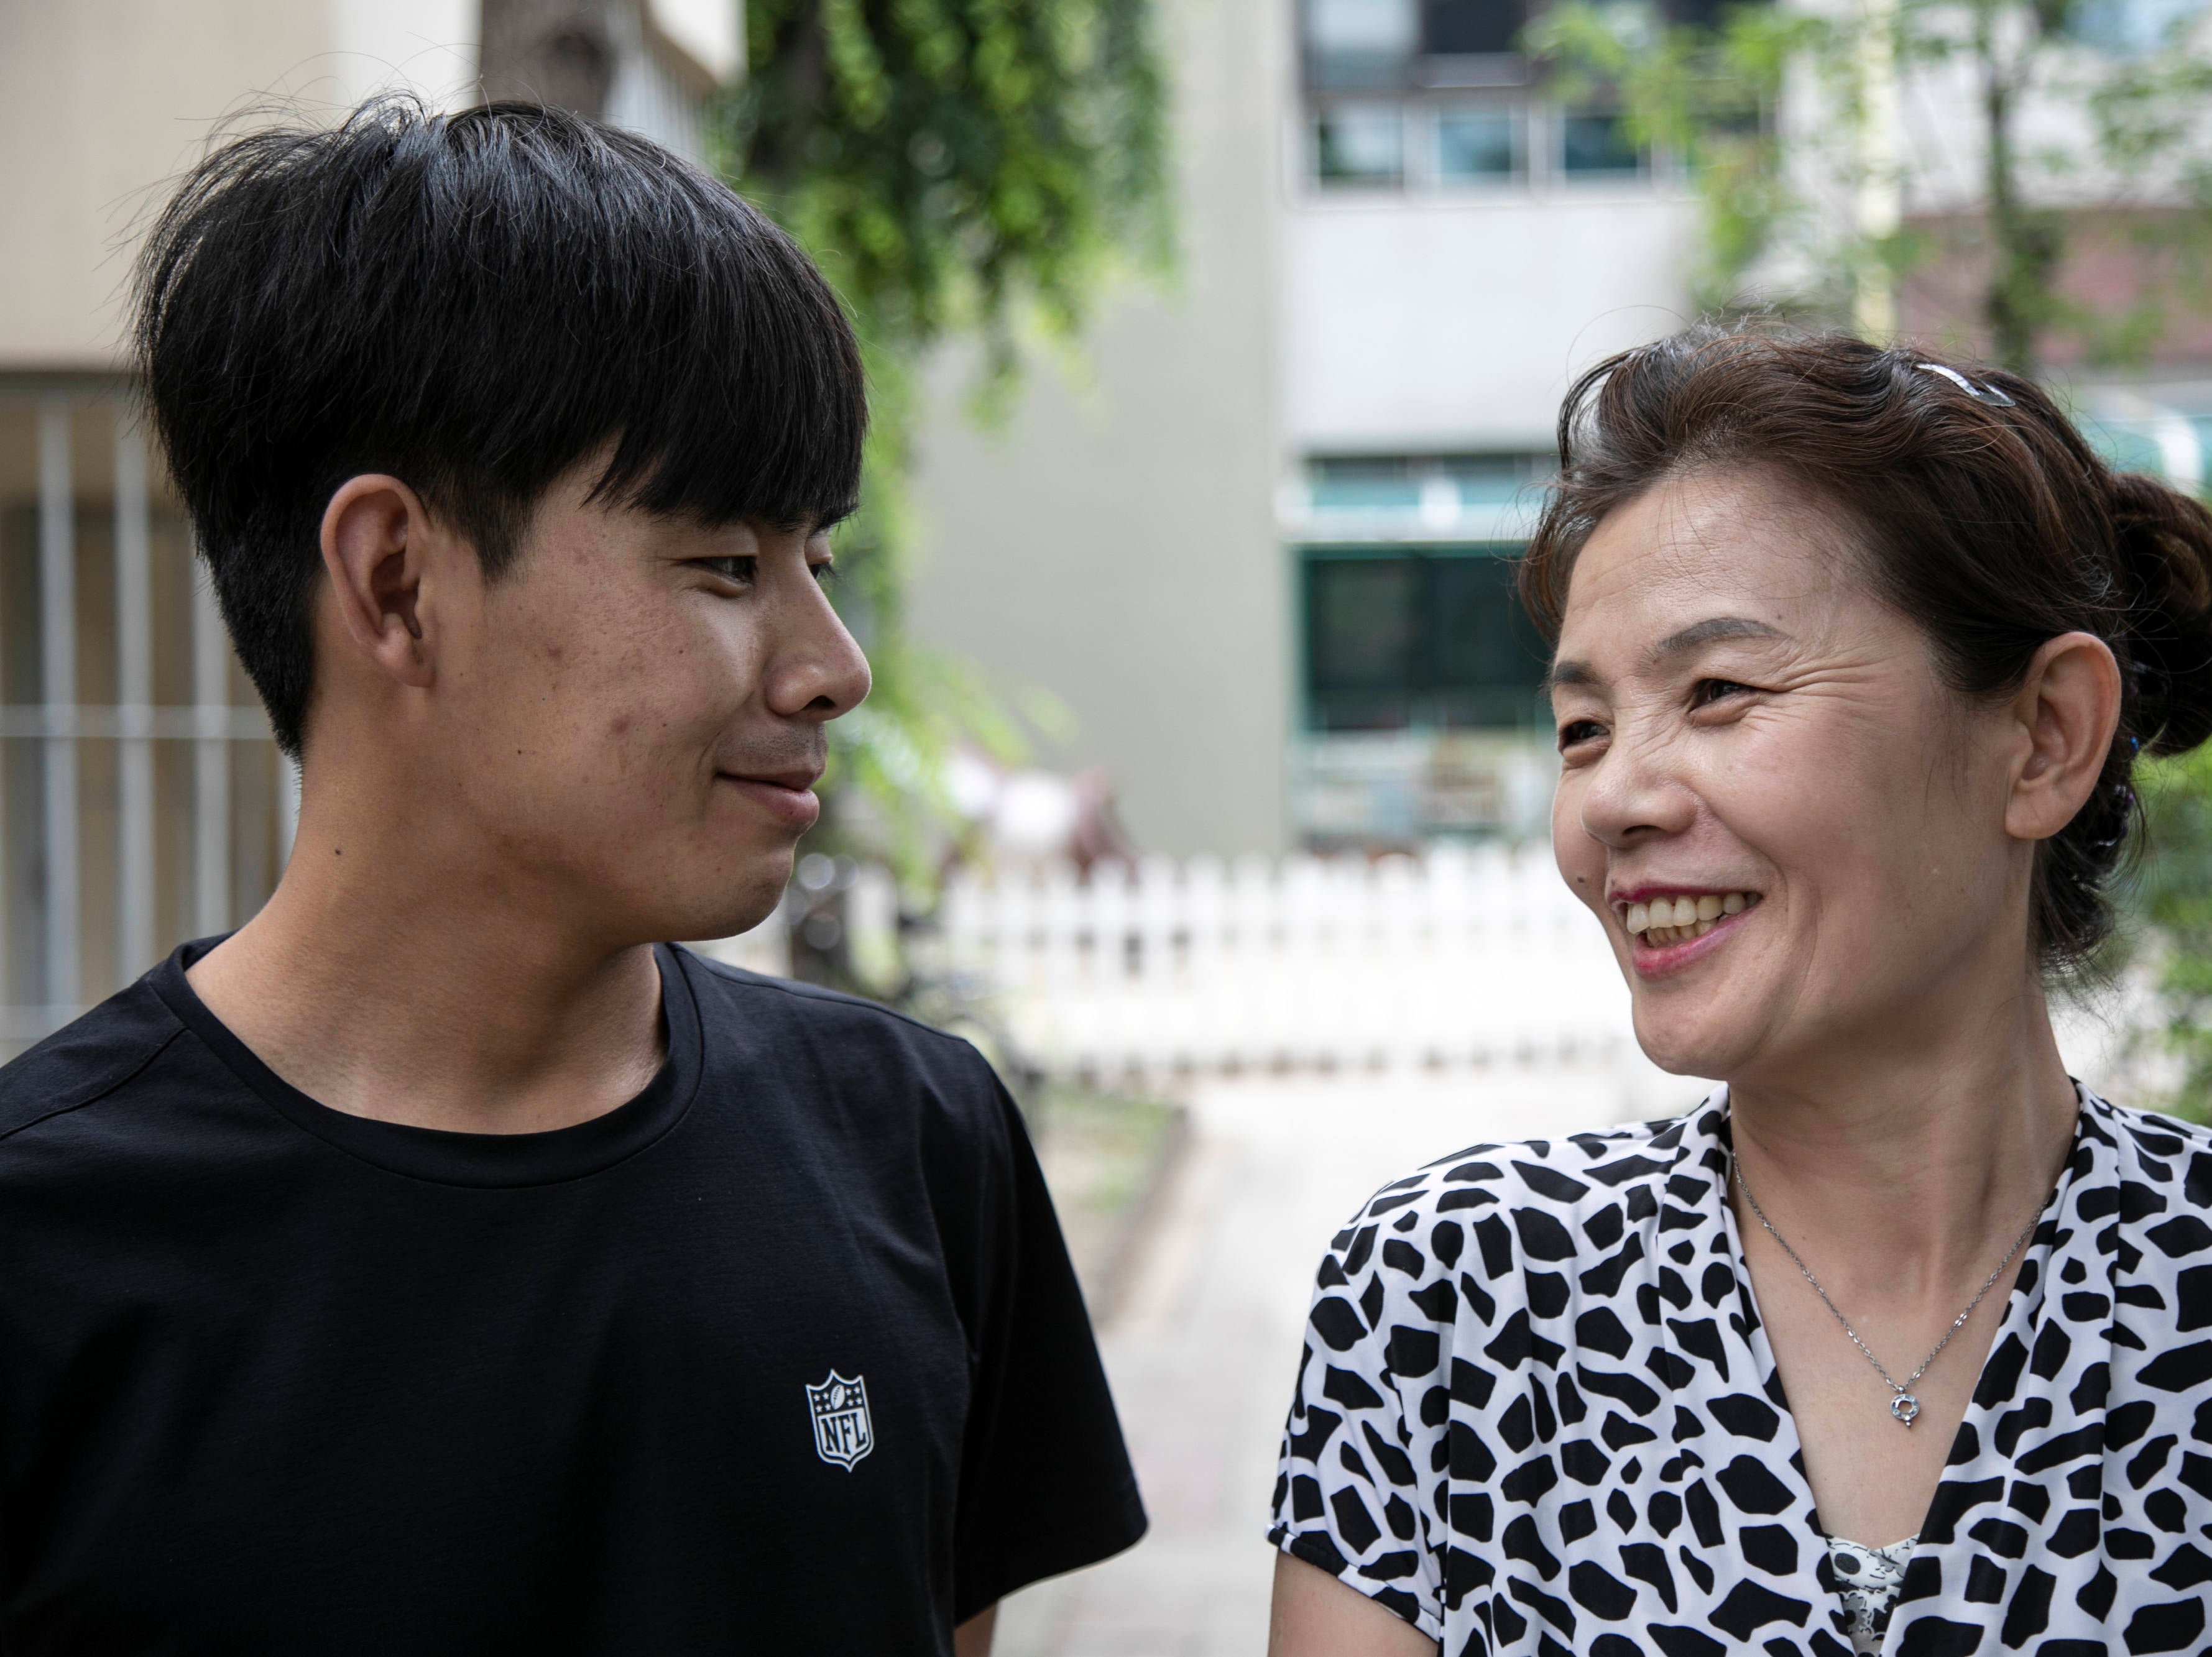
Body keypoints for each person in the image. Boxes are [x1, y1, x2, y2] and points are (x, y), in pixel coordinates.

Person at [0, 99, 1143, 1655]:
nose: (834, 666)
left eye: (822, 560)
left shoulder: (918, 1142)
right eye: (727, 565)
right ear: (397, 582)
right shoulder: (48, 1248)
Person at [1265, 328, 2212, 1655]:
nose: (1617, 801)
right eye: (1581, 729)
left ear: (2045, 737)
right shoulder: (1458, 1302)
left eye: (1717, 691)